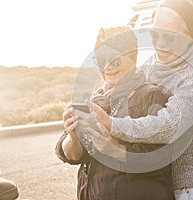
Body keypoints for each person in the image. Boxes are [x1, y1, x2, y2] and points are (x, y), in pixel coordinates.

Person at [88, 0, 193, 199]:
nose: (160, 43)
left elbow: (167, 126)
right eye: (155, 34)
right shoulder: (151, 64)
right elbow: (127, 86)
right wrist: (98, 100)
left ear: (189, 36)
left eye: (170, 37)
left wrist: (113, 125)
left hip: (187, 189)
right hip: (157, 184)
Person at [55, 25, 174, 200]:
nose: (108, 66)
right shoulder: (93, 100)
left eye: (115, 60)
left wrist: (114, 149)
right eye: (101, 60)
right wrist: (73, 136)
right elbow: (74, 156)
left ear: (133, 59)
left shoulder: (150, 96)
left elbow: (161, 162)